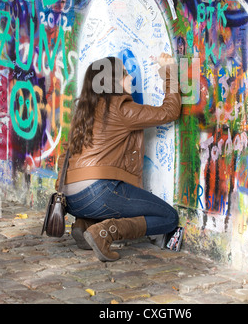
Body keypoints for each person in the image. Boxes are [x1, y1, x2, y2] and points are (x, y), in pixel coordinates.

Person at [55, 53, 182, 262]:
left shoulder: (84, 110)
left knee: (115, 201)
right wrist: (170, 70)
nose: (130, 77)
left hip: (71, 200)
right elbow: (169, 112)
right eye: (125, 73)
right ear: (113, 80)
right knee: (169, 217)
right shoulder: (120, 108)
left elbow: (64, 155)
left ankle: (84, 224)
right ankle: (106, 232)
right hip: (97, 193)